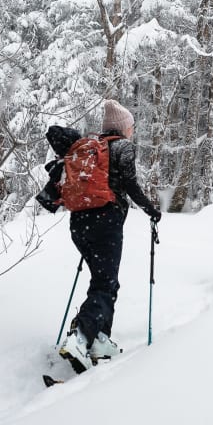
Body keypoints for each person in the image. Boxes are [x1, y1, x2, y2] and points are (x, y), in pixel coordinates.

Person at [58, 99, 162, 373]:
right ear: (123, 127)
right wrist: (152, 209)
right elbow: (130, 184)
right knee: (105, 284)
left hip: (79, 223)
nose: (132, 130)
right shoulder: (123, 147)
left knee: (104, 281)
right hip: (106, 221)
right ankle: (80, 337)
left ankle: (100, 338)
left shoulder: (92, 150)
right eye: (131, 126)